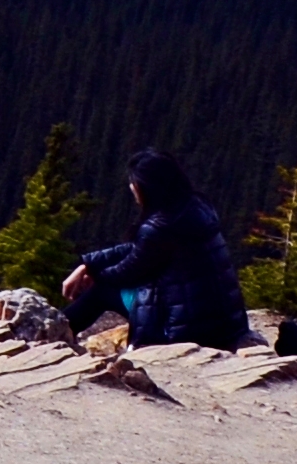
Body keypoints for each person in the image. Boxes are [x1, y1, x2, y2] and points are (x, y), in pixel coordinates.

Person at [62, 149, 249, 349]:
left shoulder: (160, 227)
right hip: (228, 325)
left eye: (135, 183)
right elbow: (138, 249)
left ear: (150, 188)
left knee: (102, 289)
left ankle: (56, 332)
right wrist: (88, 264)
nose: (131, 187)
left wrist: (94, 276)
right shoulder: (196, 207)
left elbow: (126, 274)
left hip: (187, 331)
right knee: (105, 283)